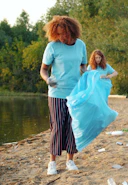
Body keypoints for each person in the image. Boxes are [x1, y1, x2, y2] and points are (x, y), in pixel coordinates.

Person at [40, 15, 87, 175]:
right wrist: (48, 79)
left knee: (73, 126)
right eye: (59, 34)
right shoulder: (52, 46)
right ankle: (52, 162)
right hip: (56, 93)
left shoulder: (81, 45)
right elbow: (43, 69)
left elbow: (83, 67)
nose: (62, 37)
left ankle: (70, 160)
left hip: (75, 93)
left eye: (65, 33)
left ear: (72, 31)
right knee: (58, 126)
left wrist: (92, 76)